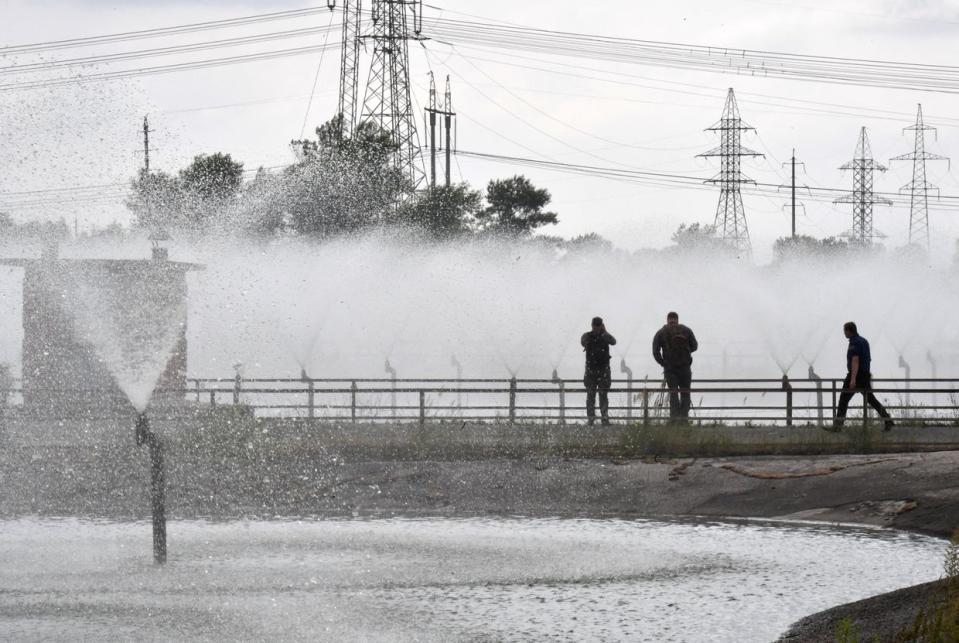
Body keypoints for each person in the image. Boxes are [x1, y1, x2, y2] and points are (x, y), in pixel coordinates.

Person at [829, 322, 894, 432]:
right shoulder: (863, 341)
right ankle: (888, 420)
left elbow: (855, 360)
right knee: (871, 400)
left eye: (845, 331)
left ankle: (837, 426)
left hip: (857, 375)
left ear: (849, 331)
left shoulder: (854, 342)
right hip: (865, 375)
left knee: (843, 399)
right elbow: (867, 359)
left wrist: (853, 379)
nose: (844, 333)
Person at [652, 312, 698, 422]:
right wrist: (686, 353)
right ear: (677, 319)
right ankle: (684, 420)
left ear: (667, 319)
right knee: (685, 393)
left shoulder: (661, 332)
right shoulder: (686, 330)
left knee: (673, 393)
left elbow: (655, 351)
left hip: (670, 369)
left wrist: (663, 363)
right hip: (685, 368)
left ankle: (674, 420)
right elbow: (695, 346)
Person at [581, 317, 616, 425]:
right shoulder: (587, 336)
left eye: (598, 325)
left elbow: (614, 341)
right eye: (595, 325)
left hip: (599, 370)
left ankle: (599, 418)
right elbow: (583, 342)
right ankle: (595, 418)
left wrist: (604, 332)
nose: (596, 327)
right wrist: (603, 332)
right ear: (592, 325)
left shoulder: (600, 336)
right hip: (596, 371)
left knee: (600, 395)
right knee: (593, 395)